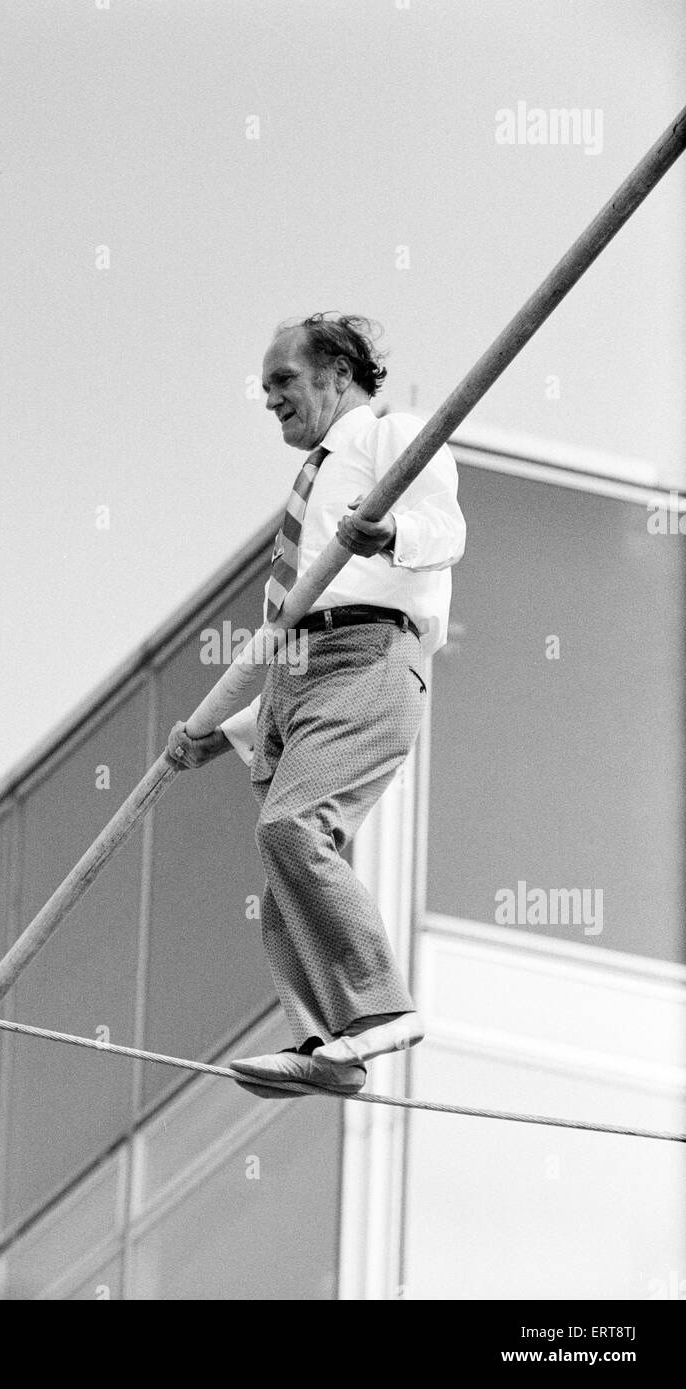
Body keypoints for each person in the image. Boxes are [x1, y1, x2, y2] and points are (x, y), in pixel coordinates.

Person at [166, 313, 465, 1098]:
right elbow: (286, 626)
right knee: (284, 864)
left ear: (338, 373)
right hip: (297, 674)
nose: (270, 400)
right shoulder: (315, 478)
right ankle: (327, 1043)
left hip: (366, 655)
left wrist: (390, 529)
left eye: (283, 381)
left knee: (292, 827)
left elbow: (446, 525)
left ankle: (379, 1009)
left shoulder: (385, 434)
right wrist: (219, 728)